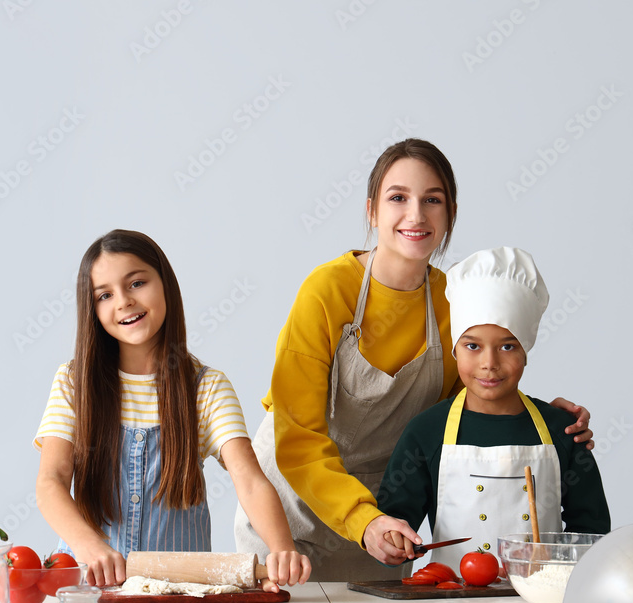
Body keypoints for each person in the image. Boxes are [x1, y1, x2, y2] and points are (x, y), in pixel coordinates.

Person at [234, 139, 595, 580]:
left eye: (432, 200)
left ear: (450, 213)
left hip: (386, 521)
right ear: (372, 210)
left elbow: (469, 411)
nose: (416, 215)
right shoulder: (327, 292)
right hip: (291, 518)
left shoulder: (453, 303)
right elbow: (299, 436)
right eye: (398, 198)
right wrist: (361, 520)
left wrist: (540, 421)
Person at [34, 229, 310, 592]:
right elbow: (50, 482)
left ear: (165, 283)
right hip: (90, 588)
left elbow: (250, 480)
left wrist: (281, 548)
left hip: (180, 593)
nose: (123, 302)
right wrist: (91, 548)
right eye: (104, 295)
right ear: (92, 309)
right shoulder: (73, 383)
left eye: (136, 283)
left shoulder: (206, 388)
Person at [366, 247, 611, 569]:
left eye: (508, 346)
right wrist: (393, 541)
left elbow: (591, 532)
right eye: (472, 346)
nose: (489, 364)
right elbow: (397, 519)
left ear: (526, 351)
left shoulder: (563, 430)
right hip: (452, 600)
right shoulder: (426, 430)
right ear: (455, 351)